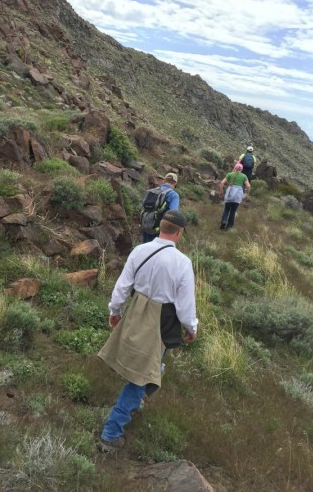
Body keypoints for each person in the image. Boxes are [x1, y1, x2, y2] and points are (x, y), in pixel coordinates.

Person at [98, 210, 198, 451]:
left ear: (159, 227)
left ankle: (136, 400)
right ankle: (111, 432)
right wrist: (191, 327)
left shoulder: (140, 250)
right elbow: (185, 305)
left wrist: (115, 311)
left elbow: (122, 285)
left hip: (136, 311)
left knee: (144, 368)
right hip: (162, 321)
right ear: (179, 233)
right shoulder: (182, 263)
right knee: (141, 376)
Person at [141, 172, 180, 243]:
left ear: (164, 181)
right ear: (175, 183)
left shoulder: (151, 191)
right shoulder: (173, 195)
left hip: (146, 225)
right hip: (160, 230)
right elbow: (173, 214)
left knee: (146, 249)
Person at [219, 163, 250, 231]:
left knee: (226, 209)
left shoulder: (230, 174)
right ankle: (229, 227)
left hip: (230, 193)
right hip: (238, 195)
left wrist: (221, 191)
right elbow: (248, 186)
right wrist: (246, 194)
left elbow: (222, 183)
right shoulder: (244, 176)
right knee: (233, 211)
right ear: (241, 169)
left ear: (235, 168)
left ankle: (224, 221)